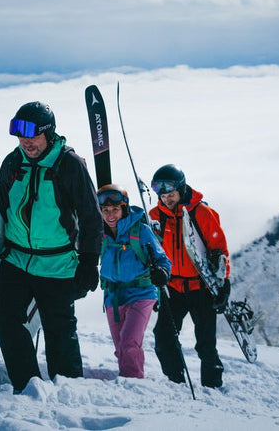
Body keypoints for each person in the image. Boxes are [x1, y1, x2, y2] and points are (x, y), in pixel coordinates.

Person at [0, 101, 102, 393]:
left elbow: (92, 217)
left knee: (59, 331)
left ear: (48, 133)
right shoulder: (12, 163)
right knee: (7, 323)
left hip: (56, 264)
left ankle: (68, 392)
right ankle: (26, 387)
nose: (25, 141)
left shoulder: (69, 165)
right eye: (19, 134)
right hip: (16, 260)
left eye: (32, 134)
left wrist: (90, 261)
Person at [149, 164, 231, 388]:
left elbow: (219, 248)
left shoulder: (201, 213)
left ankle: (213, 386)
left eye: (171, 194)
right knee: (163, 339)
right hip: (173, 288)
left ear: (181, 189)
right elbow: (151, 252)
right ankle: (176, 383)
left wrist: (224, 284)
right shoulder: (155, 217)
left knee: (205, 344)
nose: (167, 199)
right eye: (163, 195)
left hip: (201, 288)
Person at [97, 184, 172, 379]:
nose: (110, 215)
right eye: (105, 211)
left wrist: (162, 272)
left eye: (115, 210)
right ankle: (129, 381)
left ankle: (133, 384)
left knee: (129, 342)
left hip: (141, 293)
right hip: (113, 296)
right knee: (121, 346)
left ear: (124, 208)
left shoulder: (141, 231)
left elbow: (163, 259)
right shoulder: (99, 234)